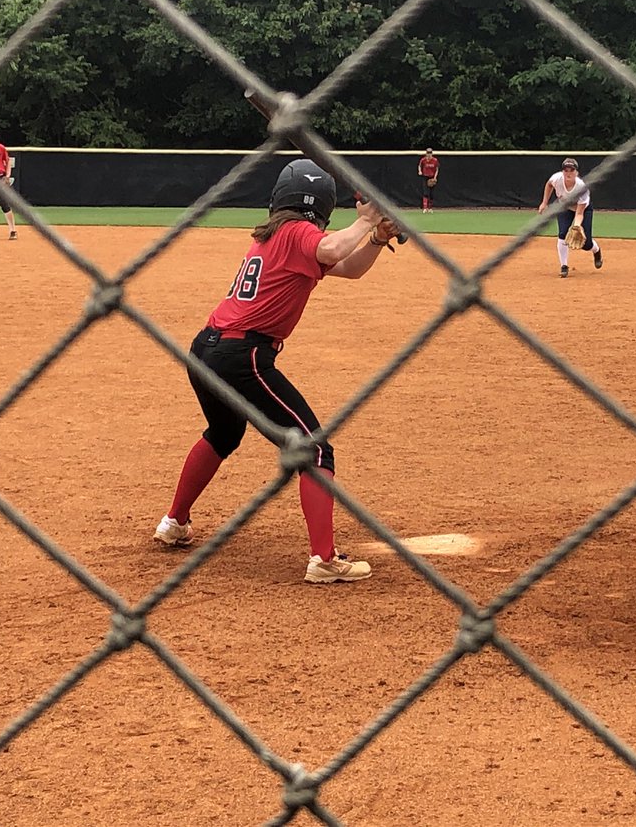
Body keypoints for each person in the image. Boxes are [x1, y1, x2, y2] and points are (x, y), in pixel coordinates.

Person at [153, 158, 402, 584]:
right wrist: (366, 220)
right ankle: (324, 560)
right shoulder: (298, 234)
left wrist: (377, 237)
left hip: (206, 349)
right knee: (315, 449)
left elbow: (347, 267)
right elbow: (332, 249)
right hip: (243, 355)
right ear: (322, 206)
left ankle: (174, 522)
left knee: (224, 433)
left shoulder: (275, 236)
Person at [537, 157, 602, 278]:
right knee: (562, 234)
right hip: (564, 207)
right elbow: (549, 185)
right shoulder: (556, 179)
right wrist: (544, 202)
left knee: (586, 244)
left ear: (576, 172)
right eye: (566, 170)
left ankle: (596, 251)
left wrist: (576, 226)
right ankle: (564, 266)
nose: (568, 173)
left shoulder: (581, 188)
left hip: (582, 210)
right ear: (562, 171)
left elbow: (579, 213)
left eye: (571, 170)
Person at [417, 147, 440, 212]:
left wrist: (435, 177)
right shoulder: (423, 160)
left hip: (432, 177)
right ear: (426, 153)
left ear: (432, 153)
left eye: (430, 153)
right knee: (425, 192)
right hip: (425, 177)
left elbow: (437, 169)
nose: (429, 154)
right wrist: (420, 171)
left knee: (431, 193)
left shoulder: (435, 160)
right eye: (428, 153)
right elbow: (419, 166)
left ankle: (430, 208)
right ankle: (425, 208)